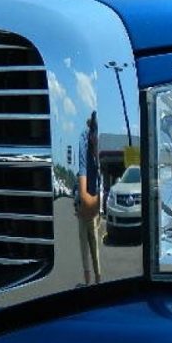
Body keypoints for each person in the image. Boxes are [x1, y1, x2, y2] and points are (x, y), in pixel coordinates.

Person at [76, 111, 102, 285]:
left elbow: (100, 180)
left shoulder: (96, 157)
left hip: (92, 208)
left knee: (93, 245)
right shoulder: (84, 146)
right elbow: (81, 173)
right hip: (84, 207)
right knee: (84, 246)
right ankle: (88, 282)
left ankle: (98, 279)